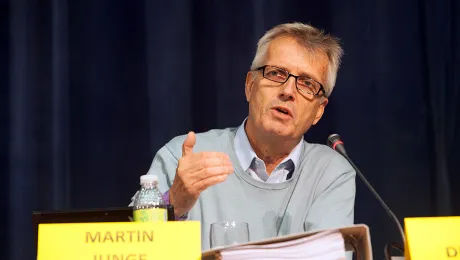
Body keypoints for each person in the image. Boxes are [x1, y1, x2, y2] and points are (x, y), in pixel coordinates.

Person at [130, 22, 356, 251]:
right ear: (250, 86)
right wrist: (174, 205)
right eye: (277, 73)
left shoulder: (330, 173)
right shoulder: (183, 157)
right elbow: (131, 248)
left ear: (319, 110)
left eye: (307, 84)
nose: (288, 91)